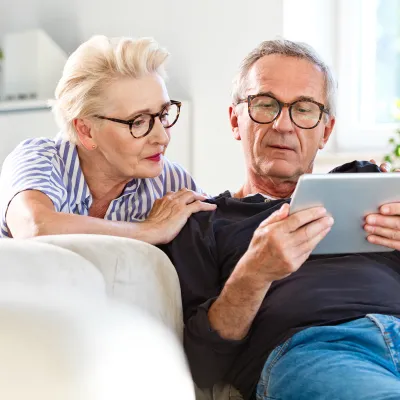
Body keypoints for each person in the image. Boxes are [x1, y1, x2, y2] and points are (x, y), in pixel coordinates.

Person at [160, 39, 400, 400]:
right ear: (235, 120)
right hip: (319, 350)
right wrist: (253, 274)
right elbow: (204, 364)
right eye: (265, 104)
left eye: (303, 109)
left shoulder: (371, 184)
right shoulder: (203, 222)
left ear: (326, 130)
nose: (282, 125)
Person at [0, 35, 215, 242]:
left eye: (164, 114)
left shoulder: (172, 183)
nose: (162, 137)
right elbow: (36, 228)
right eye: (138, 122)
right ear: (86, 130)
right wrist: (148, 230)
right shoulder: (38, 159)